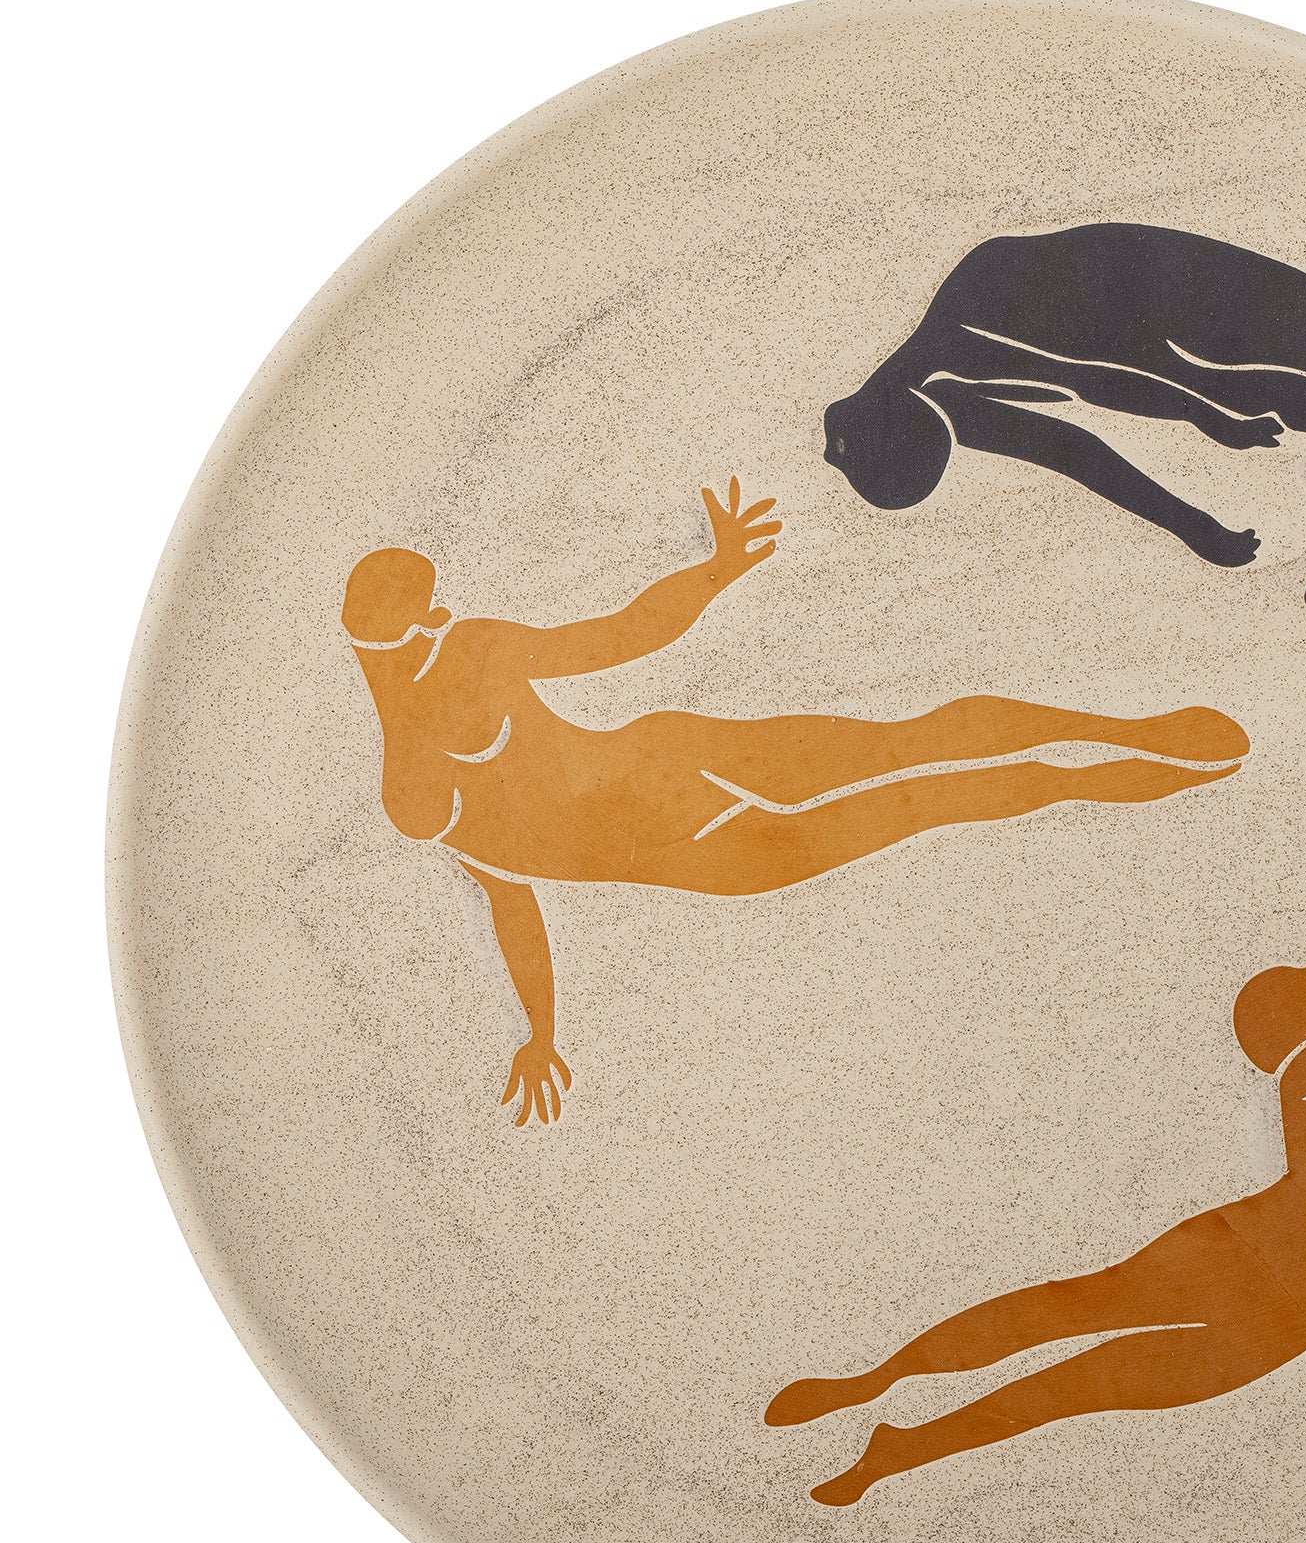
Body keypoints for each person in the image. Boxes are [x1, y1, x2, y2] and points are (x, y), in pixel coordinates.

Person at [766, 762, 1306, 1504]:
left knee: (1080, 1384)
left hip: (1305, 1301)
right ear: (1294, 1021)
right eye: (1303, 971)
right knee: (1067, 1318)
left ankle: (896, 1451)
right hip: (1246, 1259)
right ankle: (877, 1382)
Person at [342, 480, 1247, 1123]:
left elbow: (514, 886)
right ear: (412, 623)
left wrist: (541, 1032)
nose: (442, 614)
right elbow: (617, 644)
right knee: (917, 767)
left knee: (915, 767)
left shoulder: (426, 765)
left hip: (682, 784)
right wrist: (715, 571)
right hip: (697, 831)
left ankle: (1117, 743)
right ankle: (1108, 756)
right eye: (428, 607)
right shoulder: (455, 681)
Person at [823, 222, 1306, 653]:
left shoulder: (962, 323)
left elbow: (1104, 377)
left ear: (896, 416)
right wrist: (1193, 525)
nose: (955, 443)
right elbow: (1082, 457)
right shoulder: (945, 402)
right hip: (1171, 345)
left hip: (1195, 300)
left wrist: (1206, 413)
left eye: (932, 449)